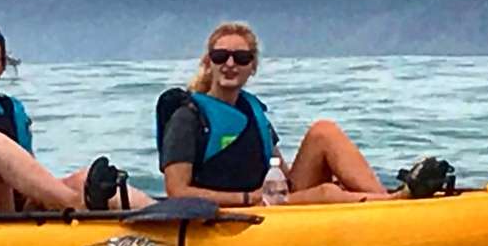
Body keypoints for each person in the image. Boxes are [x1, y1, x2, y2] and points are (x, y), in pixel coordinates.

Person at [156, 22, 451, 208]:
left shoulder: (252, 110)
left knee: (324, 131)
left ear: (253, 66)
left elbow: (280, 175)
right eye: (221, 57)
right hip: (235, 208)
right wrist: (250, 198)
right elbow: (176, 191)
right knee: (325, 193)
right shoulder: (188, 117)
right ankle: (395, 203)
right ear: (208, 63)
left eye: (241, 58)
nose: (230, 64)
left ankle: (389, 204)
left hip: (269, 201)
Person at [0, 23, 152, 215]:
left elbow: (28, 173)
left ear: (4, 65)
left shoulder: (13, 109)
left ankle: (162, 215)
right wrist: (5, 170)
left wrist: (36, 190)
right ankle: (78, 205)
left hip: (8, 209)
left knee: (83, 178)